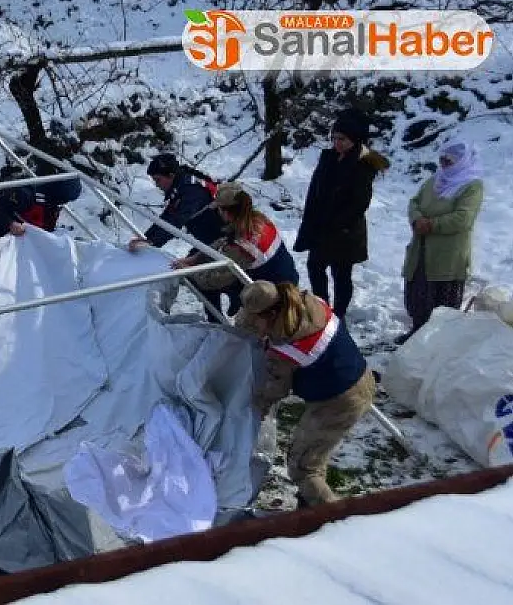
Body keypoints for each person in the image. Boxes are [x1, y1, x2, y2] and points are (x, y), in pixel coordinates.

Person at [236, 281, 377, 507]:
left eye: (255, 320)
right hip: (359, 376)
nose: (252, 324)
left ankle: (330, 517)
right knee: (313, 453)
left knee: (303, 467)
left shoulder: (287, 348)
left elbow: (276, 389)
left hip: (340, 400)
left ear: (271, 314)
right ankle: (309, 502)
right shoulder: (304, 304)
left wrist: (253, 409)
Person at [293, 109, 390, 319]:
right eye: (334, 138)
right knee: (315, 267)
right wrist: (311, 219)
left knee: (341, 274)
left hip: (345, 230)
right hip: (321, 225)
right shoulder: (328, 158)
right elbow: (314, 189)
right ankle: (322, 308)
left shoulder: (363, 164)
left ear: (354, 140)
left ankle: (339, 315)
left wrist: (337, 224)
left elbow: (359, 202)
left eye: (342, 139)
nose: (337, 143)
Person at [397, 141, 484, 344]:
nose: (444, 164)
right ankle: (417, 334)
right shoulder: (435, 180)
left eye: (449, 161)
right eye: (442, 159)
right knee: (419, 296)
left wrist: (432, 224)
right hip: (422, 248)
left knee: (442, 304)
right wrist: (417, 218)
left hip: (447, 254)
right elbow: (414, 202)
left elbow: (464, 218)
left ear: (462, 162)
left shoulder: (471, 186)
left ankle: (438, 344)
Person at [128, 154, 228, 318]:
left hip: (223, 239)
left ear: (171, 176)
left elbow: (176, 220)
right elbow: (168, 216)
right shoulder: (182, 184)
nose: (156, 185)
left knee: (199, 275)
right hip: (210, 239)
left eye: (158, 180)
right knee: (196, 275)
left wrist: (151, 241)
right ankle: (218, 315)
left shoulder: (191, 190)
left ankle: (219, 316)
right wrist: (147, 239)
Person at [175, 183, 300, 316]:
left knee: (203, 279)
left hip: (275, 293)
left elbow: (214, 280)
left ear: (227, 212)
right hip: (285, 277)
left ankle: (218, 322)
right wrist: (196, 258)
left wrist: (188, 271)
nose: (216, 212)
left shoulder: (245, 246)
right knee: (207, 265)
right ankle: (237, 300)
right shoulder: (256, 219)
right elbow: (224, 240)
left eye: (219, 209)